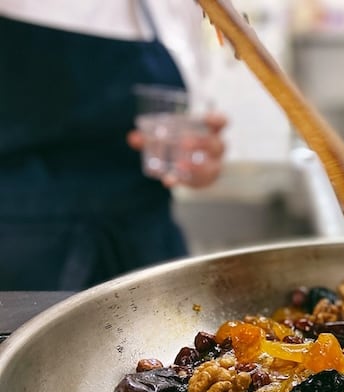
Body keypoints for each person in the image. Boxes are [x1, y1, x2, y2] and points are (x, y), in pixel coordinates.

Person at [0, 0, 226, 291]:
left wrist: (199, 158)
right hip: (23, 257)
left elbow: (189, 118)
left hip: (147, 250)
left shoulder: (174, 7)